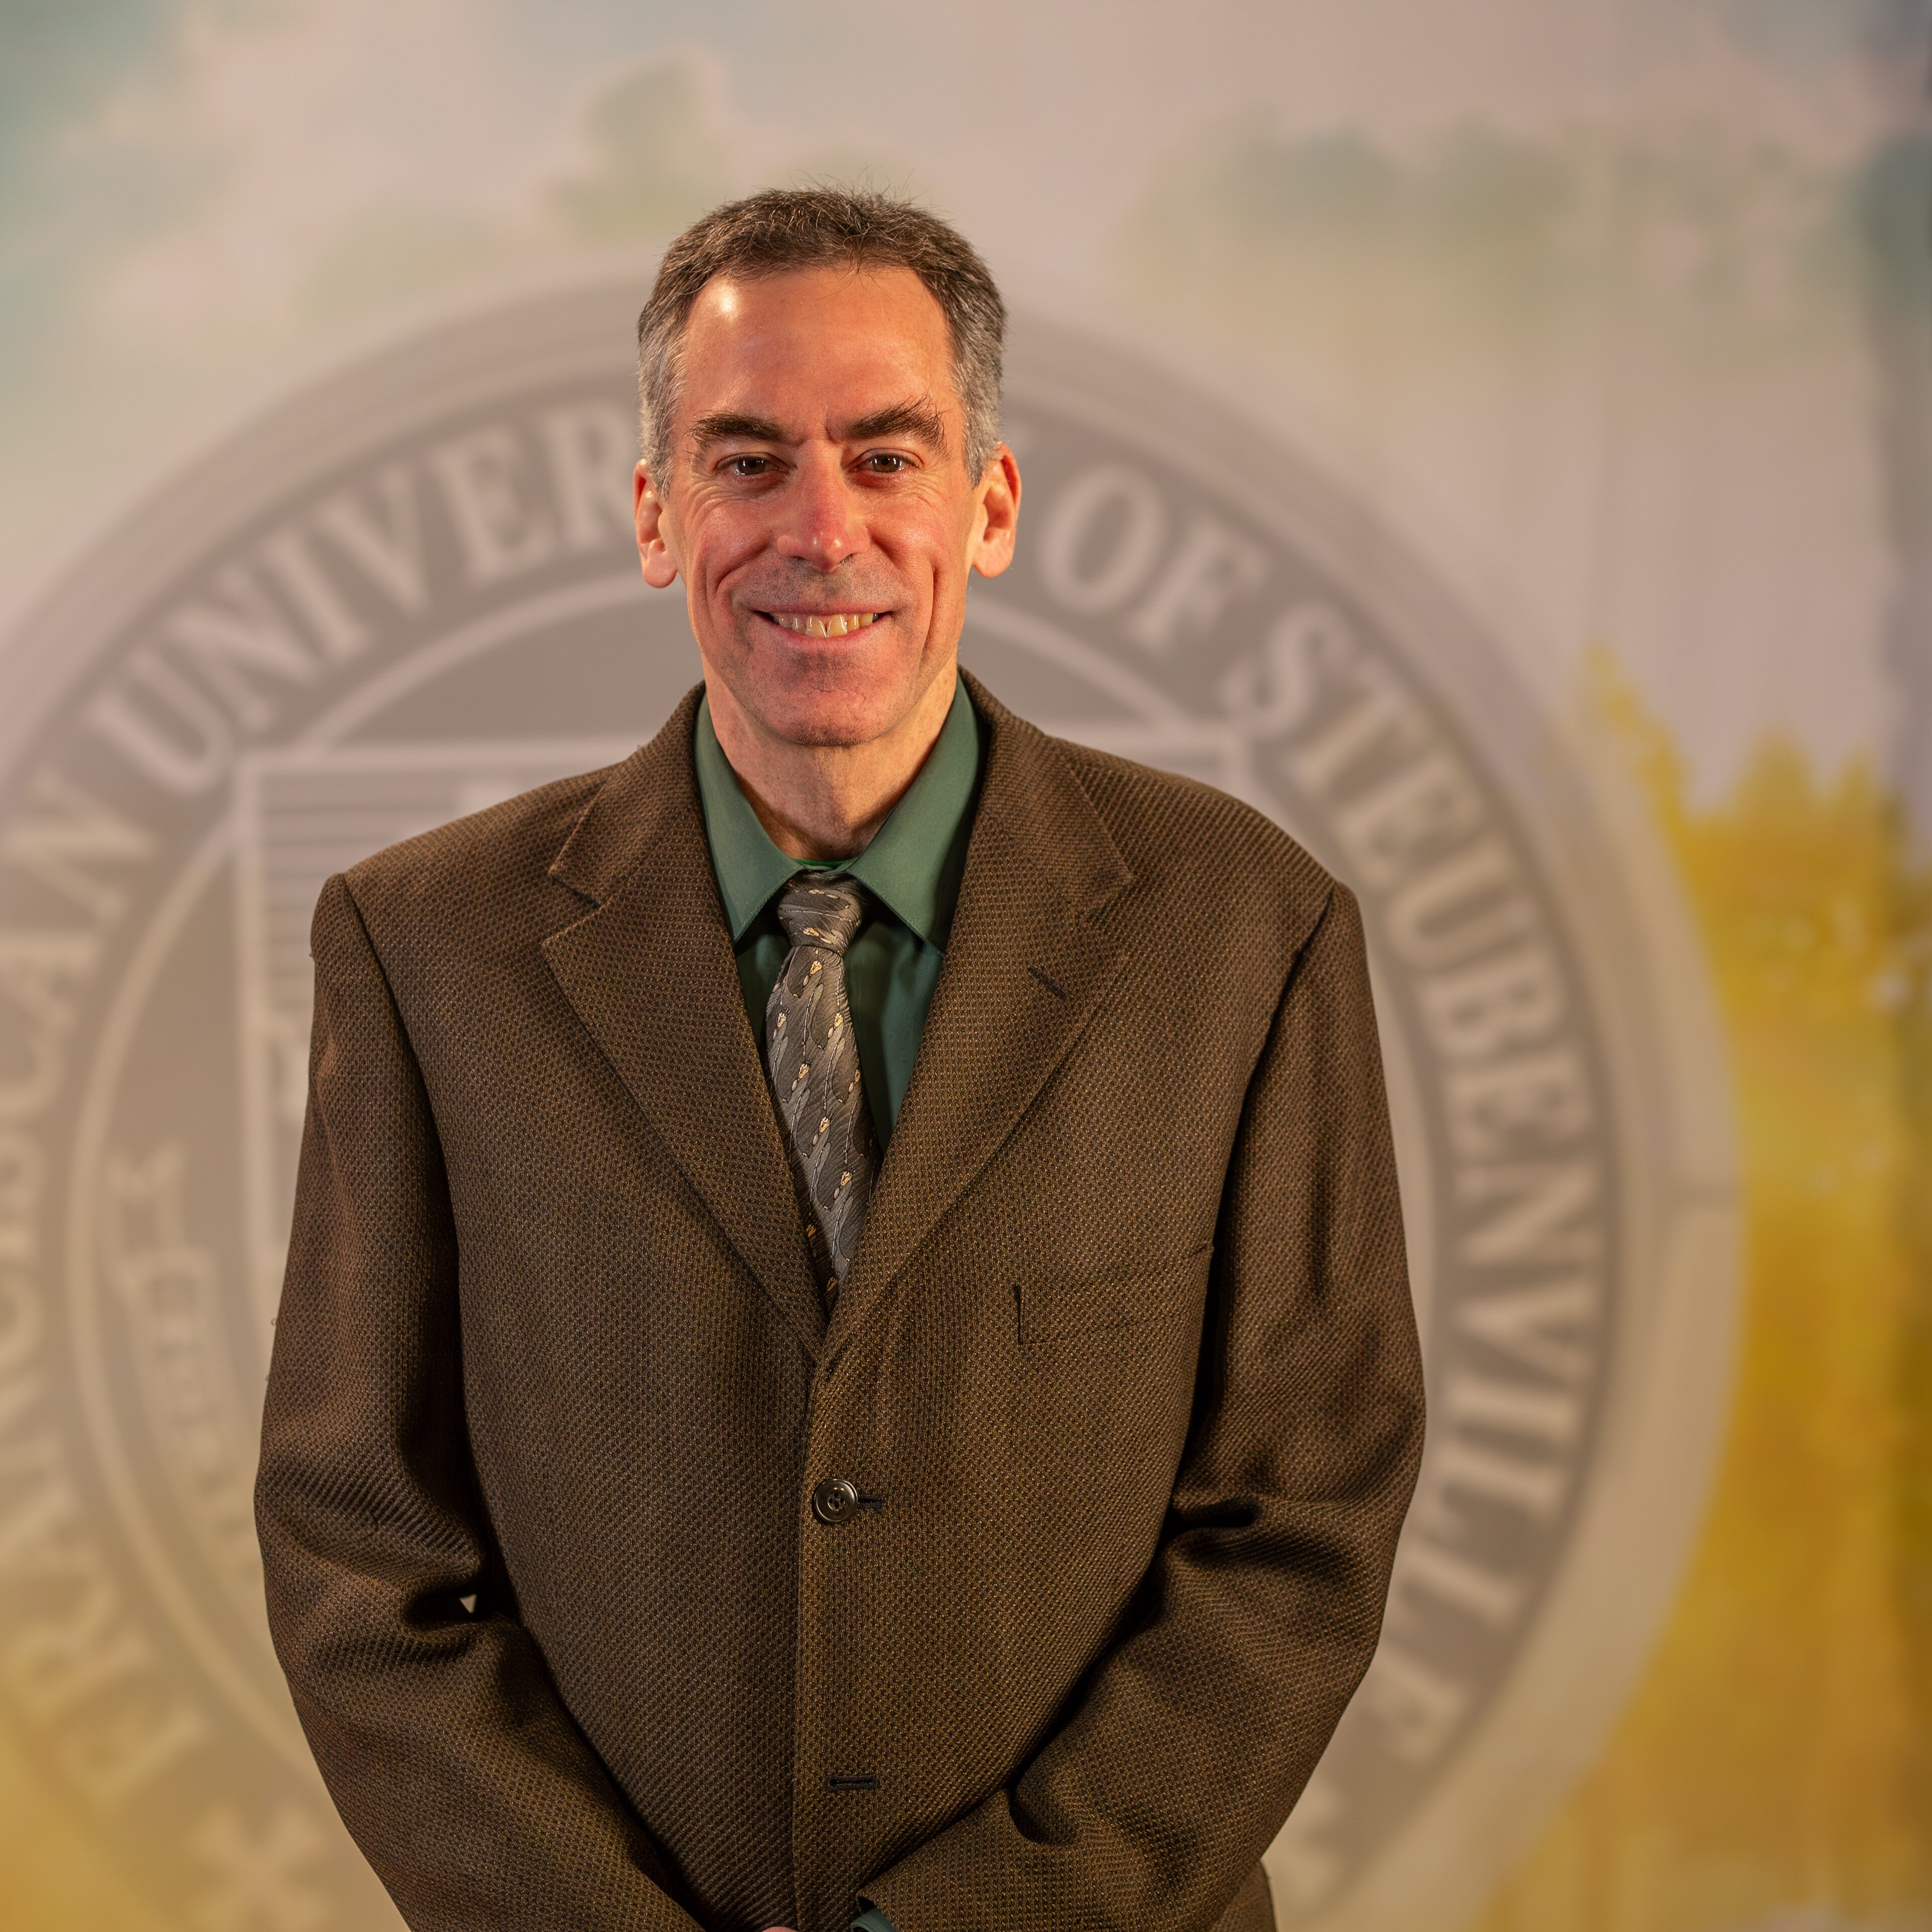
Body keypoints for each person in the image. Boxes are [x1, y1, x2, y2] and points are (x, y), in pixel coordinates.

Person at [255, 187, 1424, 1932]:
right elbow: (365, 1554)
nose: (824, 528)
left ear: (992, 503)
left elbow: (1303, 1519)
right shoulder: (428, 950)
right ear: (656, 514)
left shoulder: (1247, 930)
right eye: (747, 463)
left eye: (888, 456)